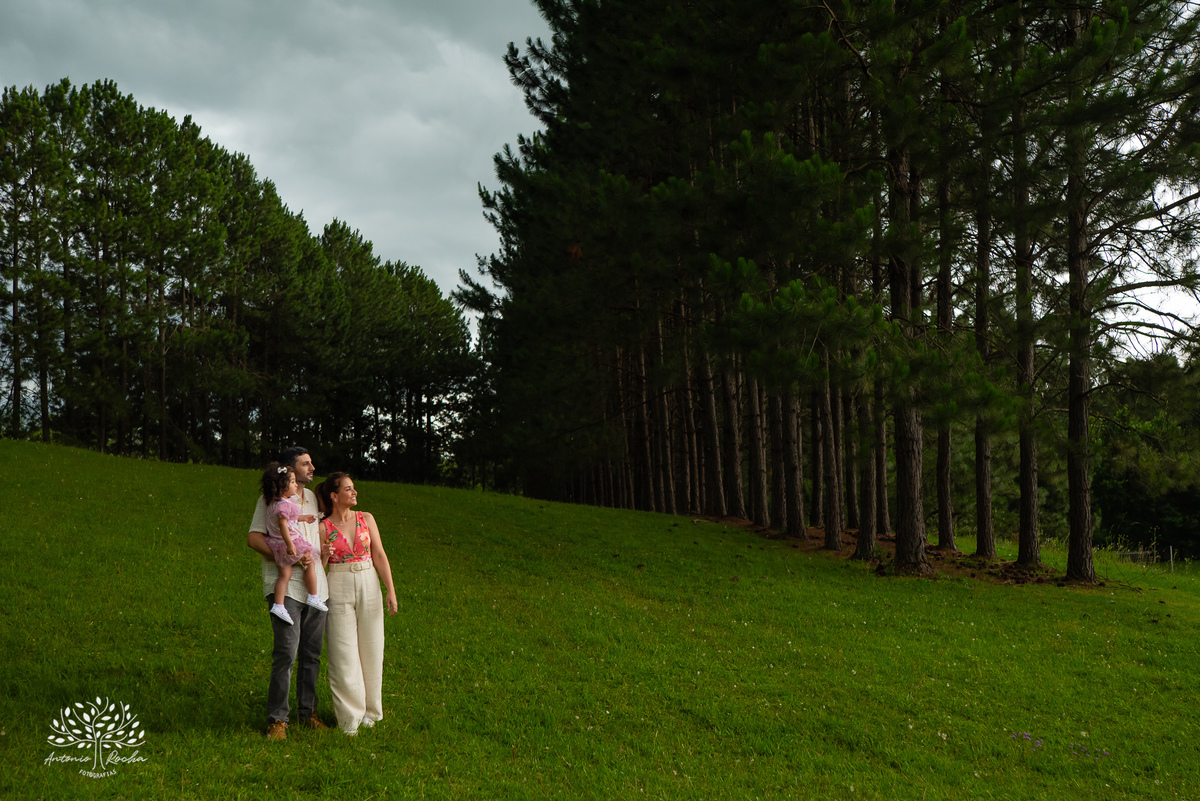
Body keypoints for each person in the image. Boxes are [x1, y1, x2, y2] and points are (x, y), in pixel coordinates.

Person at [247, 446, 331, 739]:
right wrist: (289, 557)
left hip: (316, 587)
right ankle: (277, 720)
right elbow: (254, 538)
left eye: (311, 463)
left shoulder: (312, 499)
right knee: (286, 654)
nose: (312, 468)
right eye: (305, 464)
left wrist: (323, 556)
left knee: (312, 654)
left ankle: (308, 714)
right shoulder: (270, 499)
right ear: (290, 469)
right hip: (286, 587)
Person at [316, 472, 398, 736]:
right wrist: (324, 556)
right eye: (348, 489)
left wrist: (390, 590)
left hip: (368, 581)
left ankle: (371, 712)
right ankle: (349, 719)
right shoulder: (323, 527)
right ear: (334, 495)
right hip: (337, 583)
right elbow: (318, 569)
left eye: (354, 488)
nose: (354, 492)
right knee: (343, 652)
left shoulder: (367, 518)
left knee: (373, 646)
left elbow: (379, 555)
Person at [259, 462, 328, 624]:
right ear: (282, 487)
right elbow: (283, 524)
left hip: (276, 544)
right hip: (290, 542)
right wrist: (290, 544)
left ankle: (279, 605)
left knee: (284, 576)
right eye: (292, 482)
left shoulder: (275, 503)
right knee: (310, 563)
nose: (296, 485)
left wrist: (304, 518)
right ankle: (313, 595)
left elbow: (290, 518)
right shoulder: (284, 505)